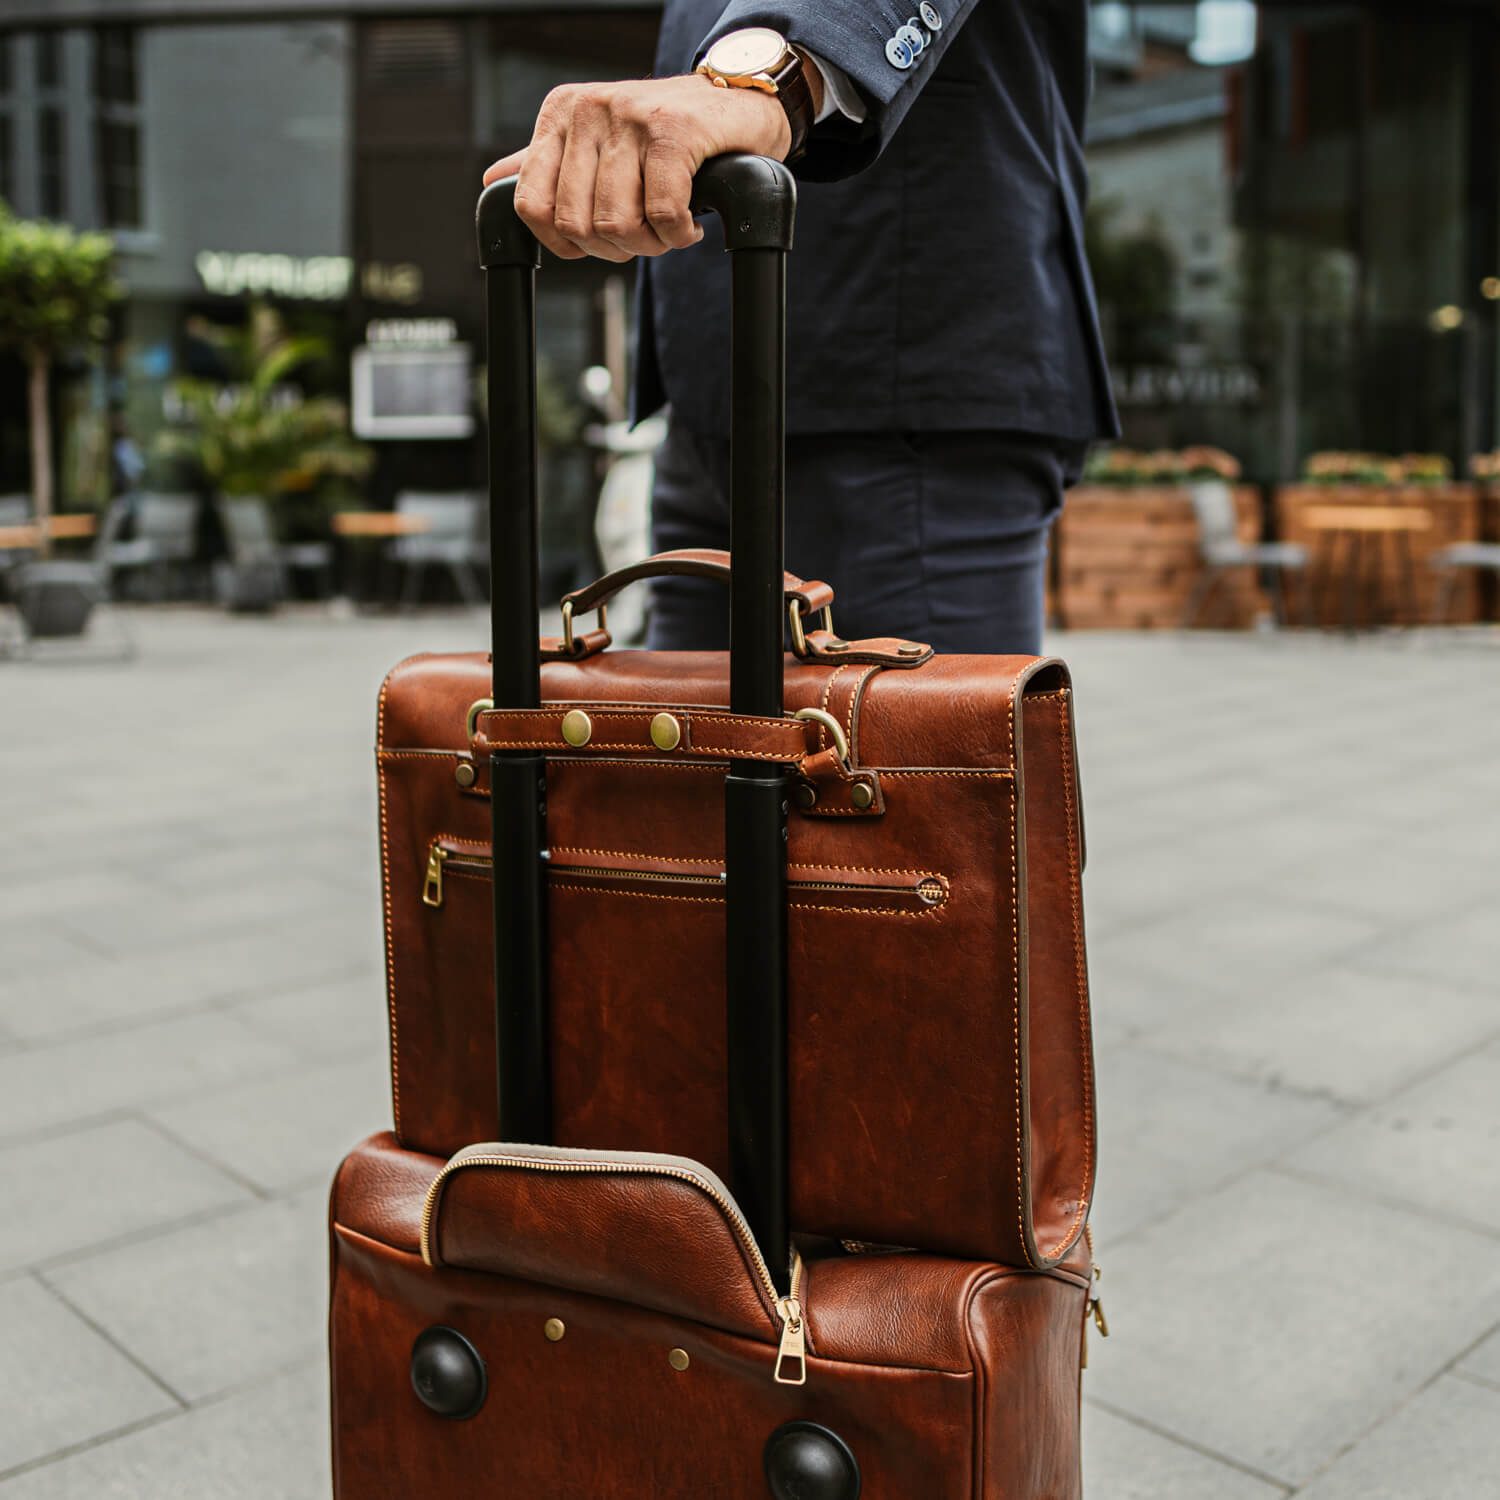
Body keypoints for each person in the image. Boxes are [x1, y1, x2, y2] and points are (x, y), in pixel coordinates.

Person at [484, 1, 1119, 655]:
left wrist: (763, 79)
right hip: (705, 397)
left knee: (913, 748)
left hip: (903, 383)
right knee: (687, 746)